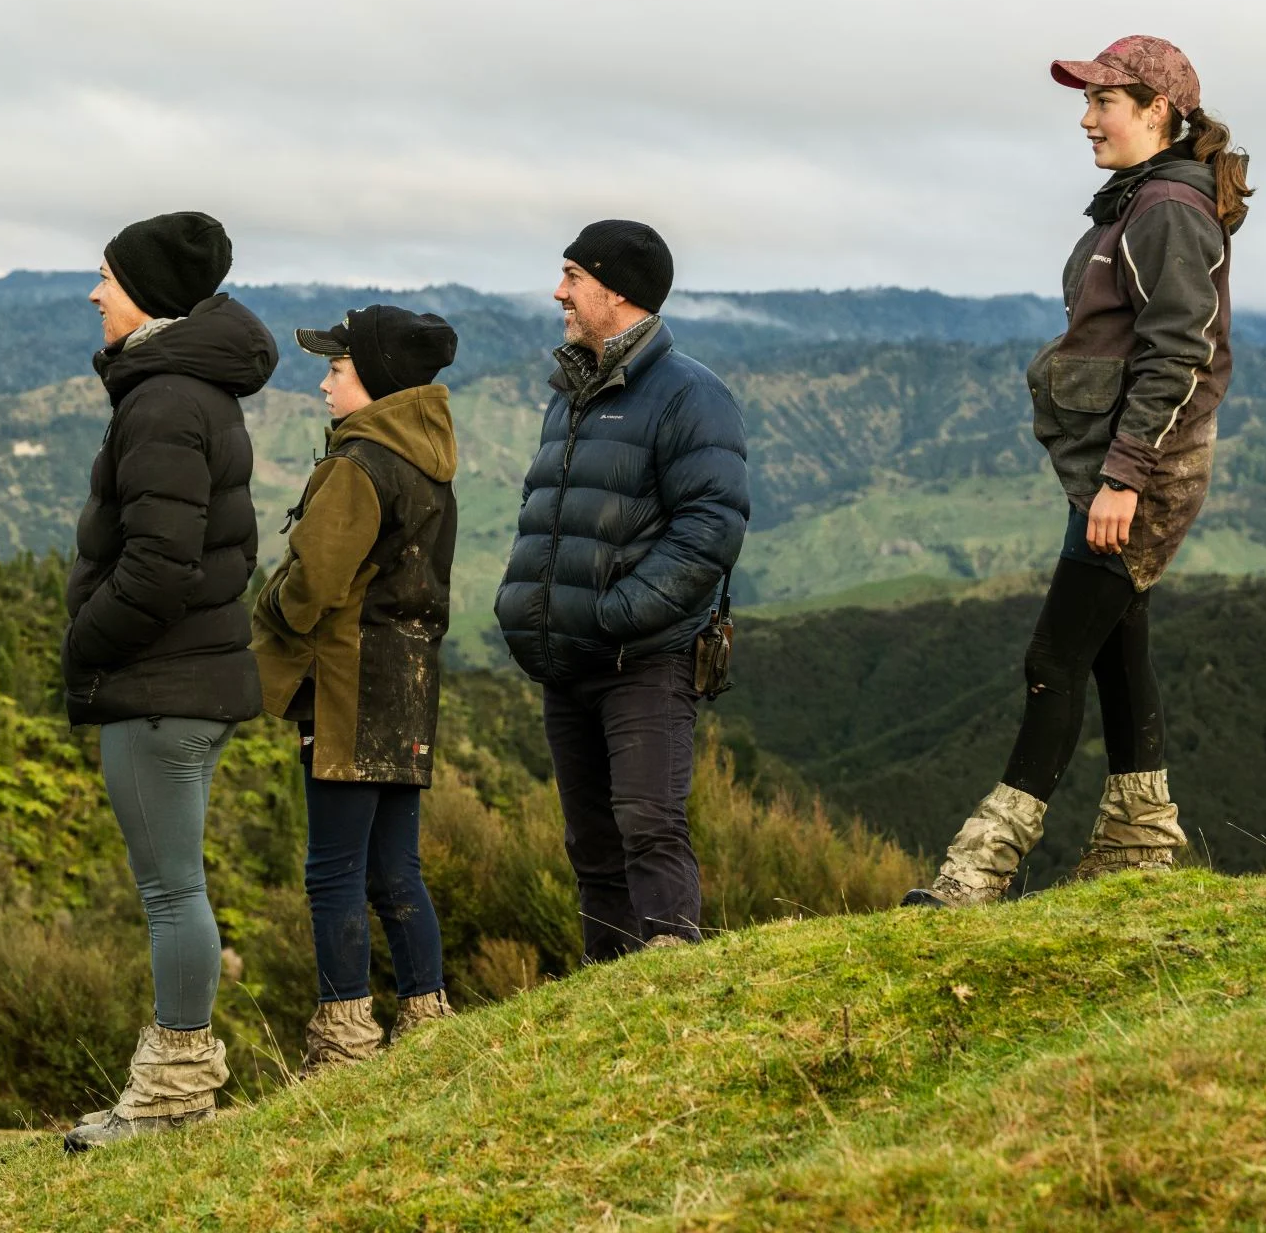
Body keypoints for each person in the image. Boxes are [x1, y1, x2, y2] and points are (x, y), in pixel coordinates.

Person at [904, 36, 1253, 909]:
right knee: (1113, 655)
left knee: (1051, 659)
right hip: (1114, 467)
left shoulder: (1167, 208)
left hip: (1139, 472)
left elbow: (1180, 351)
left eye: (1104, 102)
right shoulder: (1138, 202)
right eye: (1087, 101)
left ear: (1158, 113)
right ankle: (1137, 846)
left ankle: (976, 873)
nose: (1086, 118)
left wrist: (1126, 478)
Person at [60, 212, 278, 1149]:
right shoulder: (192, 391)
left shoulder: (160, 400)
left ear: (144, 291)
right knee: (175, 886)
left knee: (169, 891)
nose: (95, 293)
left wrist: (85, 644)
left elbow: (159, 565)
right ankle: (174, 1086)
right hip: (191, 677)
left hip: (161, 685)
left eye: (106, 277)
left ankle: (174, 1091)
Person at [494, 220, 749, 960]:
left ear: (618, 290)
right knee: (592, 846)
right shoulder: (569, 392)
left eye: (573, 275)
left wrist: (617, 615)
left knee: (648, 825)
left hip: (642, 657)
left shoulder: (690, 395)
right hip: (565, 660)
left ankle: (671, 979)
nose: (558, 291)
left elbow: (711, 527)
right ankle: (606, 998)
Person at [251, 304, 460, 1070]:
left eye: (336, 371)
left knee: (333, 870)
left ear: (372, 380)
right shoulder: (429, 460)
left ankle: (343, 1038)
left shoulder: (356, 466)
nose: (323, 385)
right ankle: (425, 1013)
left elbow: (313, 586)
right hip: (408, 682)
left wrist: (268, 603)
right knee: (395, 867)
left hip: (346, 686)